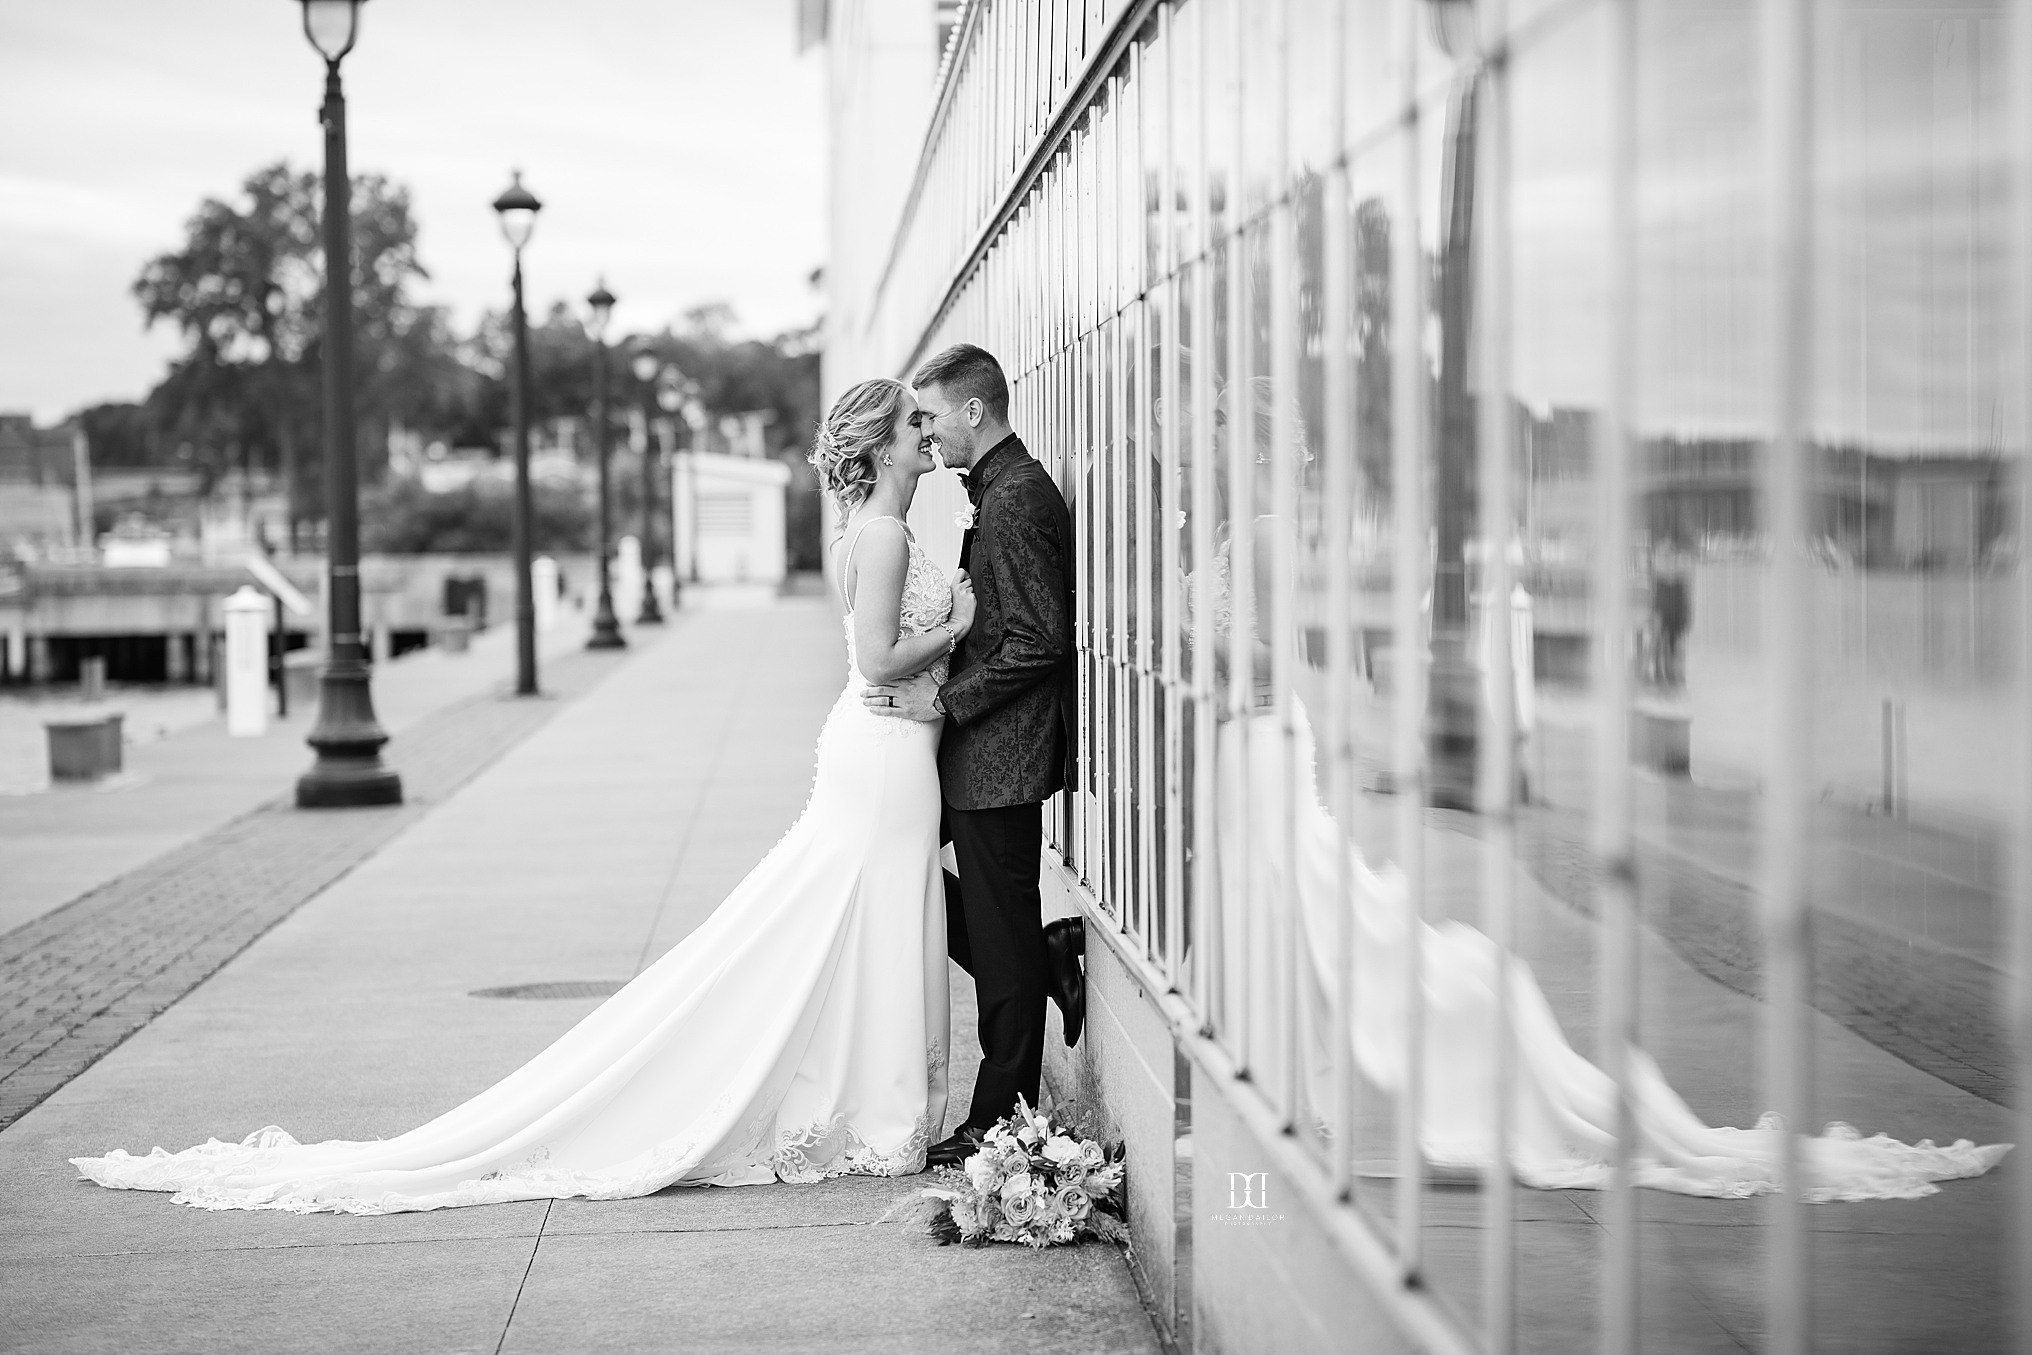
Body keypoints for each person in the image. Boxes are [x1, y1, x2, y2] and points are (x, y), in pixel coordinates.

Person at [70, 377, 976, 1212]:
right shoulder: (888, 535)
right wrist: (963, 625)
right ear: (878, 443)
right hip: (885, 753)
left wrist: (930, 675)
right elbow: (874, 663)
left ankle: (870, 1104)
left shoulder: (866, 531)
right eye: (910, 421)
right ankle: (876, 1112)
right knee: (873, 916)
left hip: (885, 750)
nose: (924, 430)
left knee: (862, 921)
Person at [862, 344, 1079, 1170]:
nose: (928, 430)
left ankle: (1002, 1116)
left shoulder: (1017, 498)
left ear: (974, 412)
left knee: (995, 930)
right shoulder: (993, 490)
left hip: (999, 759)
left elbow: (1039, 641)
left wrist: (943, 700)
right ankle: (1043, 951)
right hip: (974, 755)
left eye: (932, 415)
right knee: (907, 876)